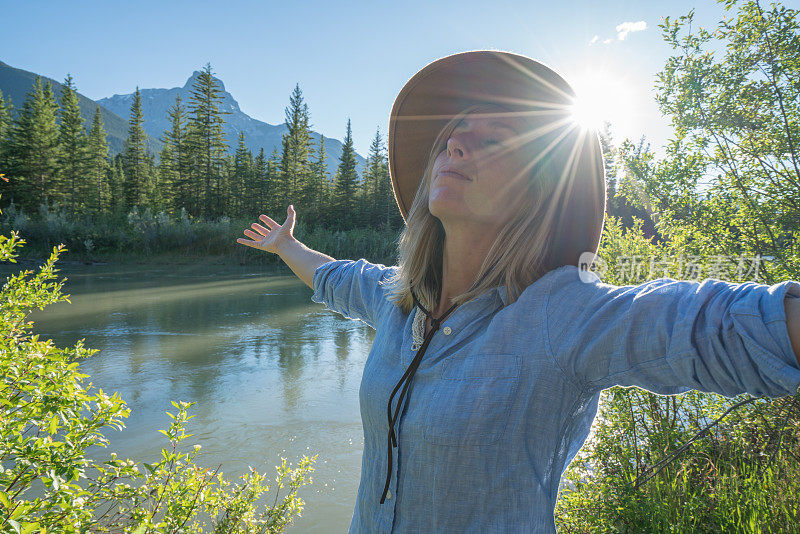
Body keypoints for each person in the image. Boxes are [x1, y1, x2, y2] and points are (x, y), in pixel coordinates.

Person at [237, 51, 800, 533]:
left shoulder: (561, 316)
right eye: (453, 133)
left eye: (492, 139)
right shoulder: (396, 297)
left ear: (537, 193)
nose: (456, 141)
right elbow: (335, 276)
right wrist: (288, 246)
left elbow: (717, 328)